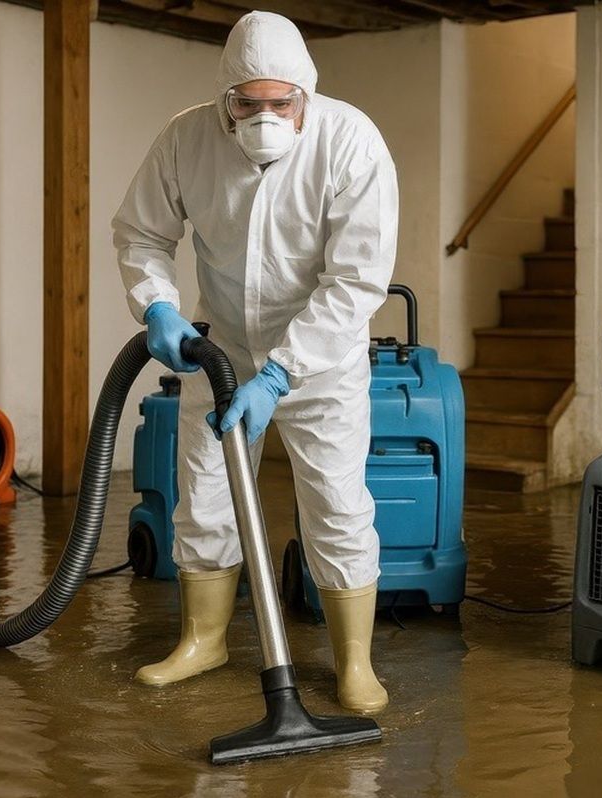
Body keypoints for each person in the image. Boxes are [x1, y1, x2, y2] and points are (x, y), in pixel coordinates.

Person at [112, 11, 397, 714]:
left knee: (334, 504)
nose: (265, 116)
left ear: (305, 94)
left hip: (321, 363)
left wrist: (283, 372)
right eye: (248, 103)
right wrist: (157, 305)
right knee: (205, 497)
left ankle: (354, 663)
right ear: (225, 98)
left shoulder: (349, 140)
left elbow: (357, 280)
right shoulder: (187, 138)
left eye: (281, 103)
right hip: (223, 352)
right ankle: (203, 641)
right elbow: (142, 230)